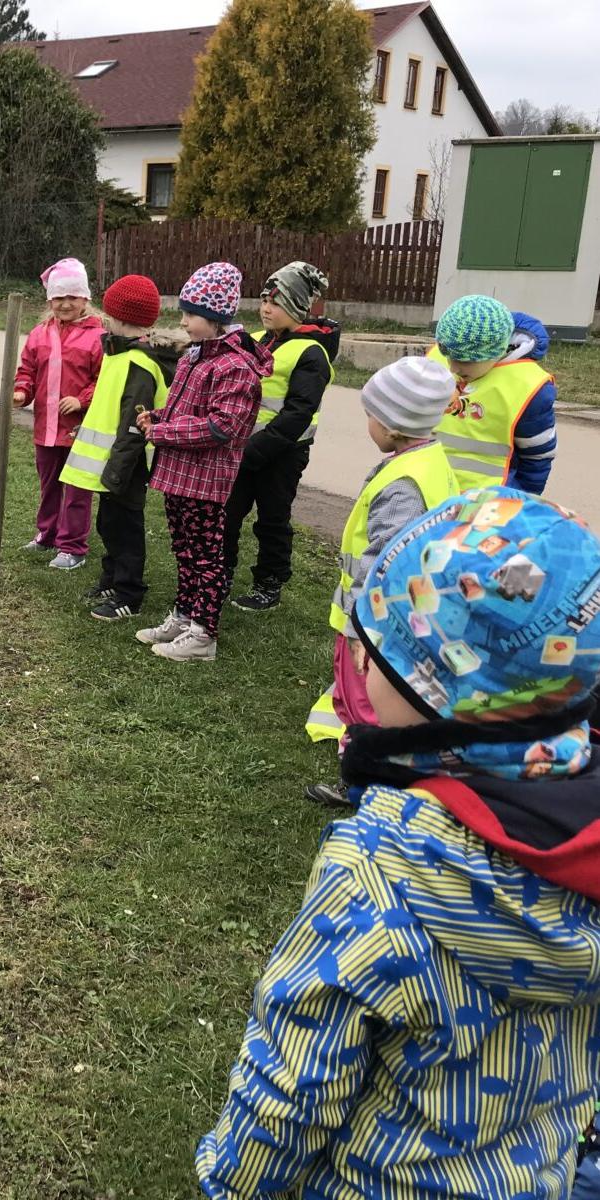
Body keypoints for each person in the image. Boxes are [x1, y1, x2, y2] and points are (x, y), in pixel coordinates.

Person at [199, 488, 600, 1200]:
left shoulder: (381, 865)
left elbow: (298, 1078)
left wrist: (232, 1184)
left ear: (438, 686)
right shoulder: (584, 835)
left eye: (375, 648)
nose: (355, 660)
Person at [303, 357, 460, 786]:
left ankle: (371, 785)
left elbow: (383, 563)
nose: (367, 424)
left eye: (370, 415)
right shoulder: (430, 461)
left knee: (365, 705)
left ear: (392, 426)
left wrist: (361, 633)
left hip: (375, 627)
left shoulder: (403, 487)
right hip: (396, 620)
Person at [133, 262, 271, 661]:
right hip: (179, 475)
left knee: (207, 556)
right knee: (184, 550)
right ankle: (183, 615)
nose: (183, 321)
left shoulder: (234, 367)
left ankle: (203, 635)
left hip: (206, 480)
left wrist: (162, 433)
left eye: (190, 314)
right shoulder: (198, 354)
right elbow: (184, 407)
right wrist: (158, 417)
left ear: (214, 317)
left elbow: (220, 426)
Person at [225, 261, 340, 612]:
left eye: (274, 302)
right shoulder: (255, 340)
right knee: (226, 513)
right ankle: (221, 571)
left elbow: (298, 412)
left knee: (273, 518)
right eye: (263, 300)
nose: (265, 309)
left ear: (295, 307)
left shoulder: (312, 353)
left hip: (283, 452)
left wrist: (256, 449)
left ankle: (269, 582)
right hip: (242, 449)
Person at [58, 274, 167, 621]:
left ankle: (129, 593)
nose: (103, 318)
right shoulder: (116, 354)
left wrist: (118, 470)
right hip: (112, 462)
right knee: (108, 522)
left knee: (125, 528)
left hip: (128, 464)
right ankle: (111, 577)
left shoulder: (139, 364)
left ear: (118, 318)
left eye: (108, 313)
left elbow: (134, 425)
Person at [12, 258, 106, 571]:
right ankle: (47, 533)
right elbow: (27, 369)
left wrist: (82, 400)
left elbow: (105, 379)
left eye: (72, 298)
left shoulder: (97, 337)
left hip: (79, 430)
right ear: (50, 300)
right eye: (59, 298)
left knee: (77, 489)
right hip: (46, 428)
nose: (65, 304)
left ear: (85, 300)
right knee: (49, 484)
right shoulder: (40, 334)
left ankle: (73, 546)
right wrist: (22, 391)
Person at [429, 295, 557, 494]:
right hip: (428, 489)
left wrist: (521, 501)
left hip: (486, 506)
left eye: (465, 361)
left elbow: (537, 458)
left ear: (496, 352)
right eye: (449, 357)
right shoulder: (440, 357)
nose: (453, 367)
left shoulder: (529, 388)